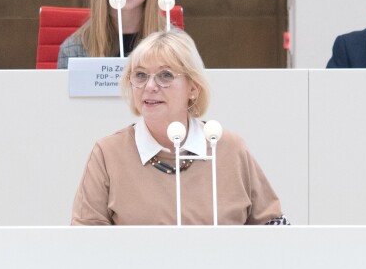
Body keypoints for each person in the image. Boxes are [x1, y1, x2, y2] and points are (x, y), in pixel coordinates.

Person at [71, 31, 288, 226]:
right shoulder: (108, 153)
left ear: (193, 88)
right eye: (140, 75)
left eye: (165, 75)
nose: (149, 86)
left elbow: (274, 228)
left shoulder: (230, 148)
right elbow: (84, 243)